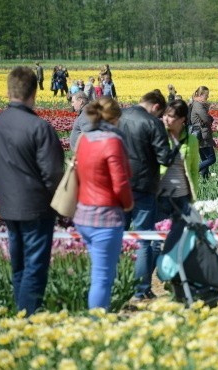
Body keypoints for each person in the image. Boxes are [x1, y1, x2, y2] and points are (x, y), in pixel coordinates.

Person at [0, 66, 64, 315]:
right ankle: (28, 315)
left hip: (8, 204)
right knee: (35, 265)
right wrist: (60, 202)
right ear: (34, 92)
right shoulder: (39, 127)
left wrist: (3, 184)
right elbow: (52, 173)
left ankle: (20, 313)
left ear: (8, 90)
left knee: (18, 264)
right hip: (37, 207)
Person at [74, 97, 134, 310]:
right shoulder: (112, 141)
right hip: (105, 217)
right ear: (115, 118)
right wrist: (128, 205)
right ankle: (99, 325)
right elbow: (120, 183)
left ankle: (96, 317)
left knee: (98, 272)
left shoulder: (84, 139)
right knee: (103, 276)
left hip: (82, 214)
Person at [118, 90, 173, 301]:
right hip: (143, 185)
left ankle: (117, 285)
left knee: (117, 237)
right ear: (157, 107)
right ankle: (141, 290)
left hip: (118, 186)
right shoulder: (152, 123)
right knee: (144, 240)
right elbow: (164, 158)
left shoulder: (118, 117)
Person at [157, 99, 200, 249]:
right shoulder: (159, 136)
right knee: (158, 239)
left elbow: (194, 170)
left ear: (182, 119)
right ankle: (152, 271)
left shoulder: (192, 141)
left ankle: (174, 271)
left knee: (179, 239)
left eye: (171, 116)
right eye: (165, 115)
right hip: (161, 195)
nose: (166, 119)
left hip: (182, 196)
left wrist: (193, 194)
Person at [191, 86, 216, 179]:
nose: (207, 97)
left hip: (200, 134)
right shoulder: (198, 105)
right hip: (203, 134)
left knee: (205, 159)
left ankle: (205, 179)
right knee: (211, 159)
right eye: (206, 95)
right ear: (201, 95)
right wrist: (210, 118)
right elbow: (206, 119)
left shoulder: (197, 104)